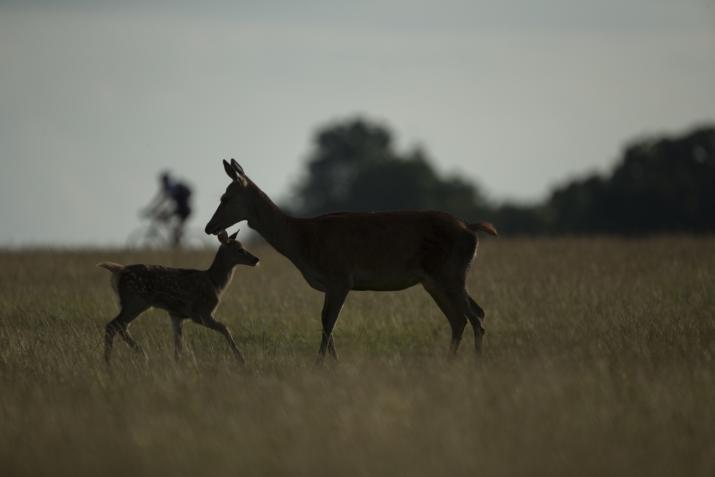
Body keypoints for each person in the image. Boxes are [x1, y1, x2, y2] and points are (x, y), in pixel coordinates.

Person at [141, 171, 193, 247]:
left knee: (174, 226)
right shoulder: (168, 188)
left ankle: (177, 243)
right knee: (166, 219)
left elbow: (163, 200)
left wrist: (153, 210)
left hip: (184, 210)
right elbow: (157, 199)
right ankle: (175, 239)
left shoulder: (172, 188)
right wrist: (149, 209)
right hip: (179, 209)